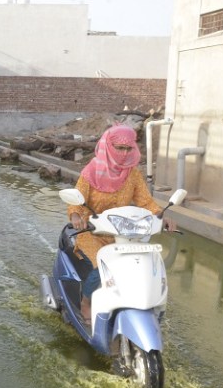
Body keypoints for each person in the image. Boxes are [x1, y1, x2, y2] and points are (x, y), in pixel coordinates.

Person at [68, 124, 176, 321]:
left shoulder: (132, 174)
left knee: (142, 263)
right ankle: (87, 301)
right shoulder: (91, 171)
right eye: (119, 148)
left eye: (128, 148)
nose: (124, 153)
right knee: (100, 267)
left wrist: (161, 216)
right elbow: (77, 198)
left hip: (124, 232)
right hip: (93, 231)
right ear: (108, 146)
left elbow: (145, 201)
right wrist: (75, 216)